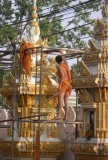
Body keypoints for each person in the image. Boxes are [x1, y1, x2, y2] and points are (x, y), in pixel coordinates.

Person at [53, 51, 72, 120]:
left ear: (56, 62)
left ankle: (59, 115)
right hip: (68, 84)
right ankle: (66, 116)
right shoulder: (65, 65)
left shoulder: (60, 67)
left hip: (64, 84)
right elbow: (65, 60)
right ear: (61, 60)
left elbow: (63, 77)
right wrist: (63, 54)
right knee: (66, 100)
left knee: (60, 99)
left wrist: (59, 86)